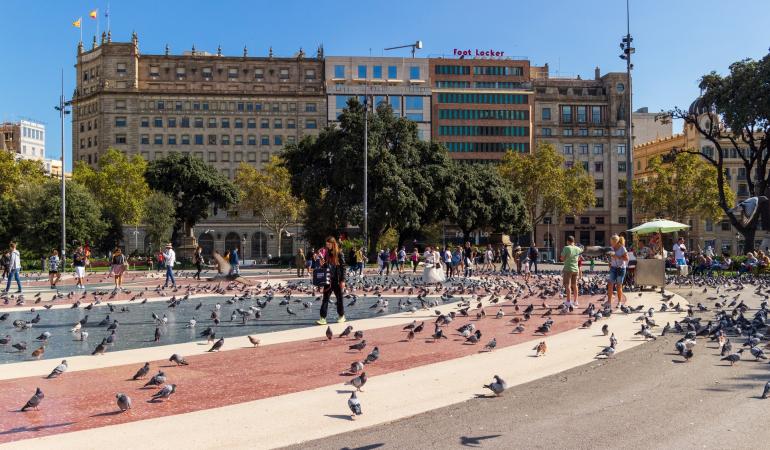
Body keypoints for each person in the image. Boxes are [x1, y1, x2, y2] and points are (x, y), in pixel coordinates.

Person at [316, 237, 346, 325]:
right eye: (326, 244)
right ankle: (323, 318)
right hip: (328, 279)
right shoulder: (327, 253)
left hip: (337, 279)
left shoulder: (340, 253)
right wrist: (322, 264)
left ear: (333, 244)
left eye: (328, 244)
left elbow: (343, 267)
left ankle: (341, 316)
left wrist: (343, 280)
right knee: (325, 299)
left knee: (339, 299)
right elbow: (326, 267)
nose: (327, 246)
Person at [560, 236, 582, 307]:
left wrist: (565, 258)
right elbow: (579, 259)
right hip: (575, 269)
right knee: (575, 285)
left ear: (568, 241)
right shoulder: (578, 249)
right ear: (573, 241)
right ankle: (576, 301)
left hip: (568, 269)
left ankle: (568, 301)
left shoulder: (566, 248)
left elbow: (562, 258)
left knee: (567, 285)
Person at [607, 234, 629, 307]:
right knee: (610, 285)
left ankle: (619, 302)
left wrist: (618, 257)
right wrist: (610, 262)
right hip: (613, 268)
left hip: (621, 268)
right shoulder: (611, 248)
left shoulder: (622, 248)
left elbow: (627, 259)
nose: (611, 244)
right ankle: (609, 302)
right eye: (611, 242)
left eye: (612, 242)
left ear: (616, 242)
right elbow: (610, 257)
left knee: (618, 286)